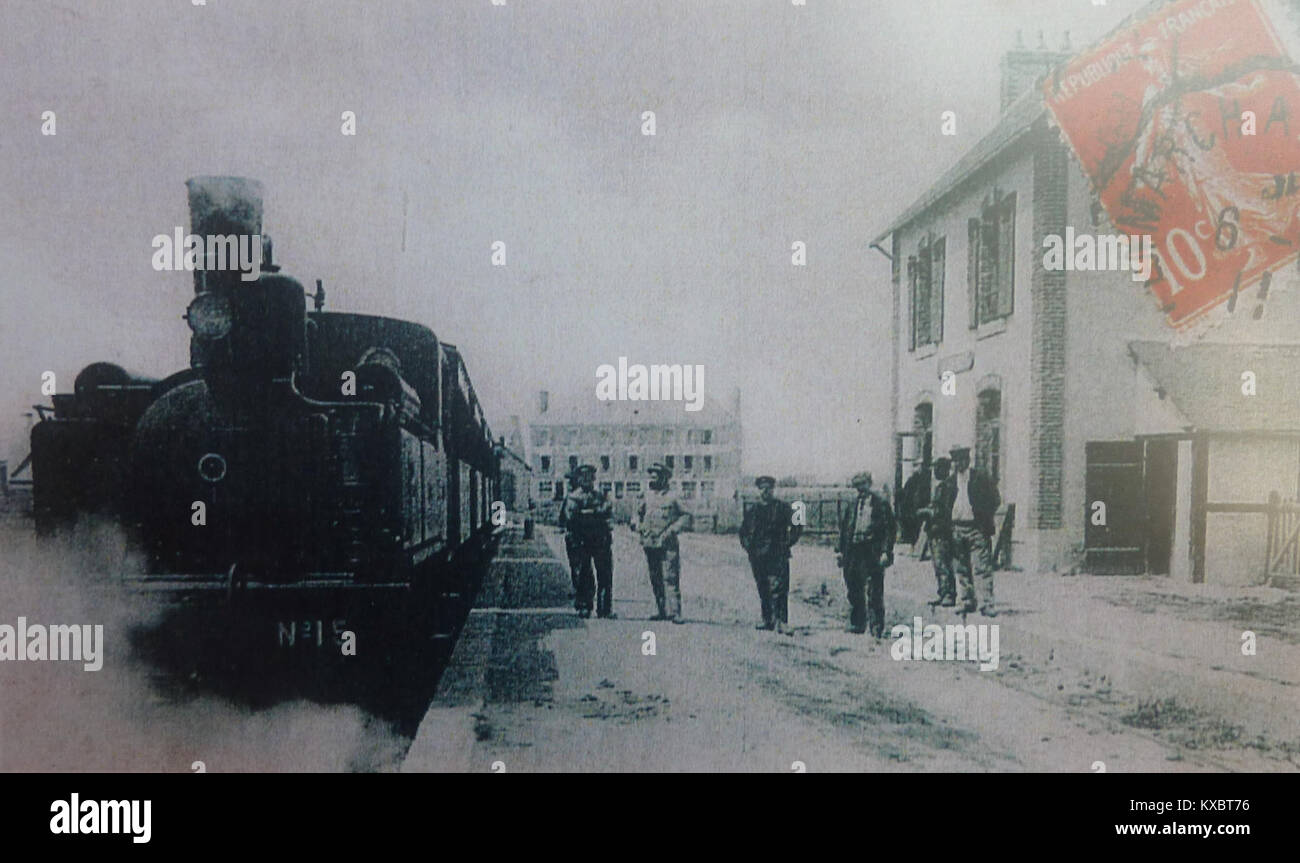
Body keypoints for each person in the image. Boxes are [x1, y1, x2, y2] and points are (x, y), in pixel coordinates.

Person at [933, 445, 1000, 616]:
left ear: (968, 460)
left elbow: (995, 499)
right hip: (956, 528)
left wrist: (984, 518)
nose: (958, 464)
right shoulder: (949, 483)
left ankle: (986, 603)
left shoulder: (981, 479)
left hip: (976, 528)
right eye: (955, 461)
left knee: (981, 566)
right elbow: (943, 505)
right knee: (961, 567)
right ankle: (967, 600)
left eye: (961, 460)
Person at [738, 475, 803, 633]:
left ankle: (782, 621)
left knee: (780, 588)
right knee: (763, 587)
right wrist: (749, 548)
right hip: (758, 556)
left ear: (773, 490)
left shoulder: (783, 507)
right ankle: (767, 619)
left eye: (768, 488)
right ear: (758, 490)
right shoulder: (752, 510)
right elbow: (743, 532)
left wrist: (788, 543)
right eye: (762, 489)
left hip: (777, 553)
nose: (765, 491)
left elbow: (798, 525)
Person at [836, 471, 895, 637]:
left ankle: (876, 627)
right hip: (853, 551)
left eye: (863, 485)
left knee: (875, 590)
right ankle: (857, 622)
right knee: (853, 586)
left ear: (869, 484)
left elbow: (889, 530)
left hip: (872, 551)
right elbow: (844, 529)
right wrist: (840, 551)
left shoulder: (880, 504)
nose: (860, 489)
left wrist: (885, 552)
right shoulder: (852, 505)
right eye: (857, 486)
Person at [633, 462, 691, 623]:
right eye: (651, 475)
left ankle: (675, 613)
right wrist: (637, 524)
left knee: (670, 577)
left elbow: (686, 516)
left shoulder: (674, 496)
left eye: (656, 475)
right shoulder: (646, 495)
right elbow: (636, 514)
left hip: (667, 543)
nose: (652, 478)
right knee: (655, 577)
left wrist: (672, 530)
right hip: (650, 542)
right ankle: (661, 611)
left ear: (664, 478)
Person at [558, 464, 616, 619]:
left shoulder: (600, 496)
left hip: (600, 540)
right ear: (578, 479)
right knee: (583, 574)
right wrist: (597, 513)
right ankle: (584, 606)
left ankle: (605, 609)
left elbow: (608, 512)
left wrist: (589, 513)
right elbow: (571, 518)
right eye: (583, 477)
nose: (587, 480)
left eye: (590, 477)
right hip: (580, 541)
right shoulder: (573, 497)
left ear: (593, 479)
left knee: (605, 575)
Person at [919, 456, 955, 606]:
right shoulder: (941, 487)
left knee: (943, 563)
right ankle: (943, 592)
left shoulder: (947, 487)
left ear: (944, 470)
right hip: (935, 530)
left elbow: (944, 510)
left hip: (941, 530)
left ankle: (948, 594)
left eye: (937, 468)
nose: (934, 472)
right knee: (938, 564)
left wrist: (927, 511)